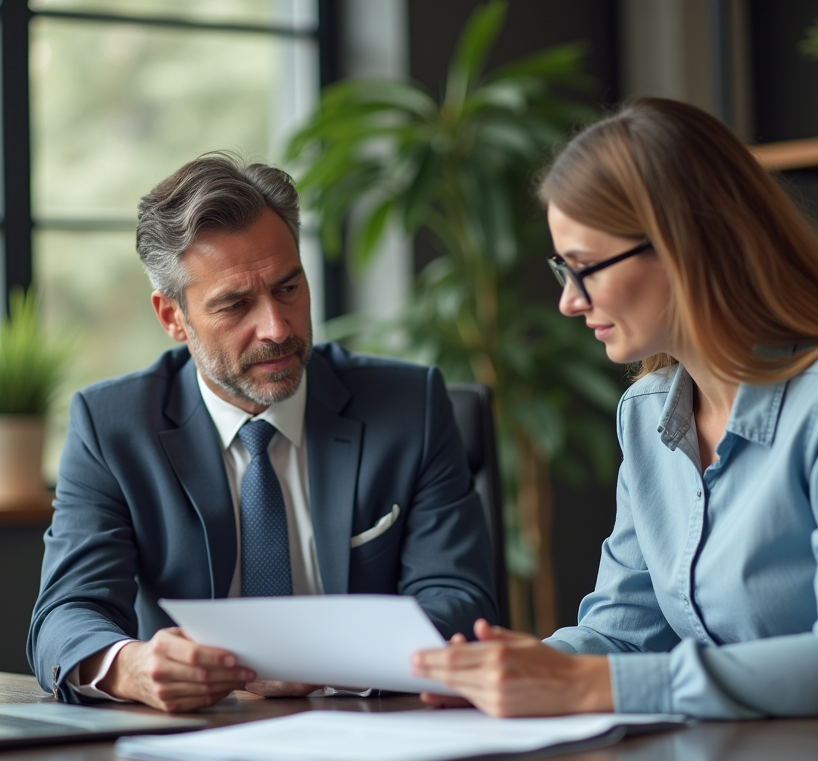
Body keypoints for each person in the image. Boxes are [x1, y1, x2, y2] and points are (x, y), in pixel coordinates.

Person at [411, 98, 818, 723]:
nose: (567, 301)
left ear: (683, 246)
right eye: (564, 268)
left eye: (585, 268)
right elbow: (625, 630)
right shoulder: (646, 415)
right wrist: (509, 671)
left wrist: (587, 686)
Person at [28, 154, 497, 711]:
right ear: (172, 317)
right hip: (194, 747)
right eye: (234, 305)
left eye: (288, 288)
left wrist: (318, 658)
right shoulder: (112, 427)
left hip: (373, 732)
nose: (277, 328)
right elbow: (64, 616)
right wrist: (130, 667)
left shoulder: (409, 406)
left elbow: (459, 600)